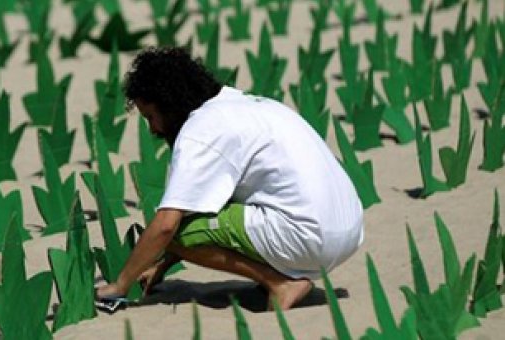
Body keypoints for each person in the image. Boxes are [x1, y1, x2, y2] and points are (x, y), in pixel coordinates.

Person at [95, 46, 364, 310]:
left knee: (180, 232)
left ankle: (279, 282)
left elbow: (168, 226)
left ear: (170, 104)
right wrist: (161, 264)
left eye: (151, 116)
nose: (152, 128)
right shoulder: (245, 103)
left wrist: (118, 286)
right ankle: (280, 272)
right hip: (349, 230)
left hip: (310, 237)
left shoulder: (199, 131)